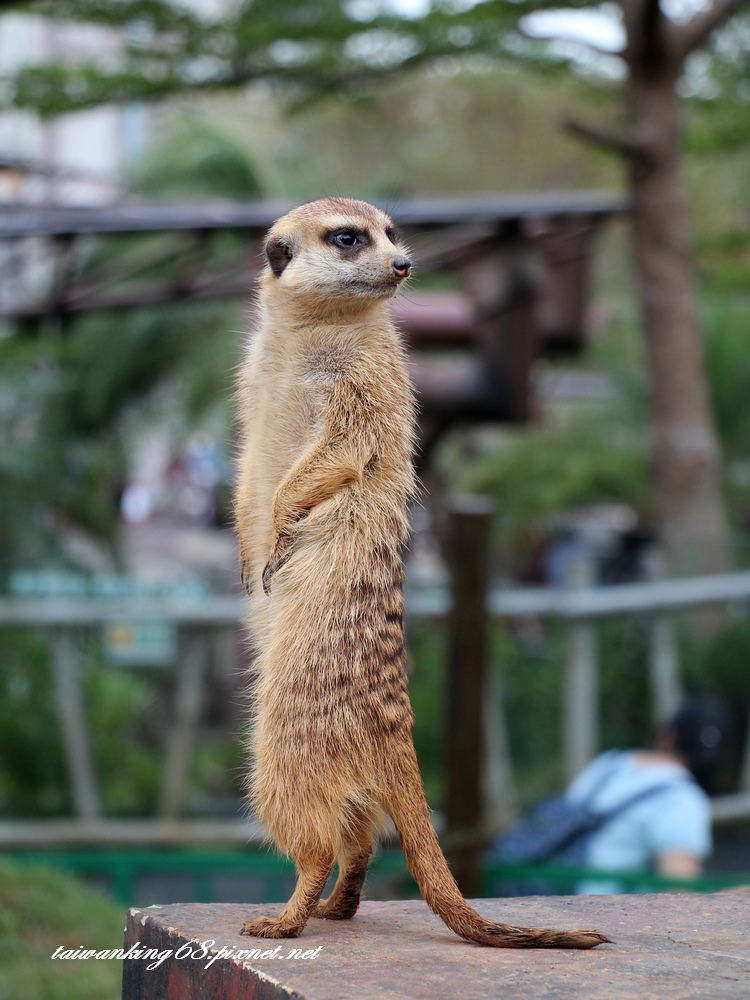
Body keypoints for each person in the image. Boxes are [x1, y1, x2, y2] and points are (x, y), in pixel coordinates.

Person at [566, 698, 730, 893]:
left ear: (667, 736)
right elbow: (679, 893)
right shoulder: (683, 799)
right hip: (596, 915)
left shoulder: (607, 764)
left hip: (548, 899)